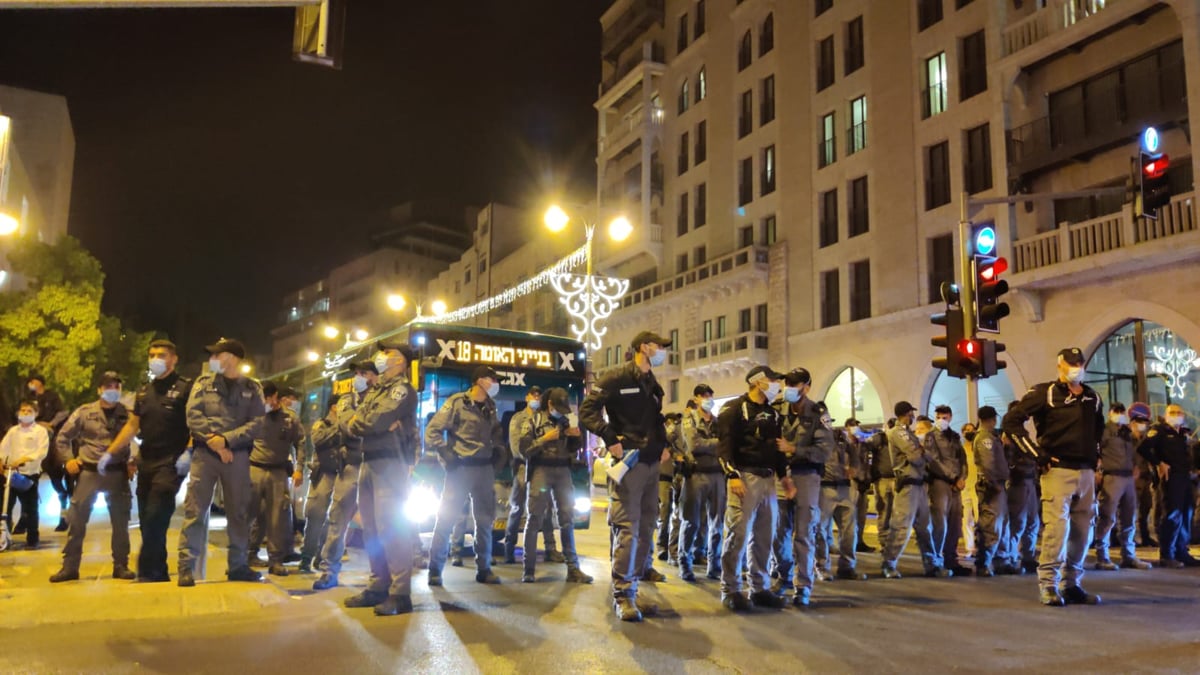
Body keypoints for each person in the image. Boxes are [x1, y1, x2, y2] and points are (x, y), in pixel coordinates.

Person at [579, 330, 671, 622]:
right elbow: (587, 411)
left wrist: (664, 445)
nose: (662, 351)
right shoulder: (616, 378)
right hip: (629, 463)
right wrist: (609, 436)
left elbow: (656, 420)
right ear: (643, 347)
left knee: (646, 529)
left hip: (652, 463)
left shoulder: (652, 383)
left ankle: (635, 588)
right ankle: (623, 595)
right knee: (628, 529)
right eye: (658, 346)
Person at [1003, 347, 1104, 607]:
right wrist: (1038, 454)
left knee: (1083, 532)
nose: (1076, 367)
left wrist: (1097, 460)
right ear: (1059, 366)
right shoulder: (1045, 393)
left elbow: (1098, 430)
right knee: (1057, 530)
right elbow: (1012, 422)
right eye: (1071, 364)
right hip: (1057, 472)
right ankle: (1048, 583)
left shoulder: (1092, 397)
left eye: (1080, 363)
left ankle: (1072, 585)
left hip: (1086, 473)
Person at [100, 339, 193, 582]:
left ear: (174, 359)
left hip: (171, 462)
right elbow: (133, 425)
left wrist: (189, 451)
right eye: (152, 354)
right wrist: (110, 451)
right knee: (145, 519)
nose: (156, 359)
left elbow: (196, 424)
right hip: (147, 461)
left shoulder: (186, 389)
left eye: (161, 354)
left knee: (156, 514)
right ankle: (157, 571)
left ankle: (146, 569)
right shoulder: (144, 391)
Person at [339, 341, 419, 615]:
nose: (381, 358)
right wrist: (365, 424)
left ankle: (400, 593)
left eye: (387, 354)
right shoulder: (378, 390)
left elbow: (373, 421)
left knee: (391, 528)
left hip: (390, 463)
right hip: (368, 461)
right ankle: (378, 585)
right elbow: (360, 420)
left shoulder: (402, 390)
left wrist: (365, 424)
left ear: (400, 361)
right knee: (371, 527)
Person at [178, 338, 266, 586]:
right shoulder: (203, 383)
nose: (212, 359)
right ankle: (186, 566)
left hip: (236, 456)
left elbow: (258, 423)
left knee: (238, 513)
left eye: (218, 354)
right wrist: (215, 443)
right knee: (195, 510)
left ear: (233, 359)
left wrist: (226, 441)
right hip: (206, 455)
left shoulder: (252, 387)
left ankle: (237, 566)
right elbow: (193, 415)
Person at [717, 365, 791, 612]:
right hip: (744, 478)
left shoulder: (774, 414)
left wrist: (784, 476)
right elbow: (725, 446)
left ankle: (759, 588)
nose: (776, 385)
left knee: (764, 536)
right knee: (737, 534)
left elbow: (777, 448)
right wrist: (732, 474)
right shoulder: (734, 409)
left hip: (768, 480)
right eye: (772, 380)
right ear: (758, 382)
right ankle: (731, 588)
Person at [49, 371, 135, 582]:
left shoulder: (128, 413)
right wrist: (68, 459)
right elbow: (63, 437)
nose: (112, 391)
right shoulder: (84, 412)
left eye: (116, 387)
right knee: (76, 520)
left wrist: (134, 461)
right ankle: (70, 567)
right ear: (99, 390)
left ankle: (121, 565)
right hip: (89, 471)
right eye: (108, 387)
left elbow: (139, 439)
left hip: (117, 472)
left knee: (120, 522)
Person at [425, 365, 506, 586]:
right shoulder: (457, 402)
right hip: (460, 468)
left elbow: (495, 433)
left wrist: (499, 451)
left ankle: (484, 568)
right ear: (479, 380)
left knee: (485, 521)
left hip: (483, 469)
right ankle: (435, 569)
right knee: (446, 519)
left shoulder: (491, 406)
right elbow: (432, 430)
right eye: (492, 379)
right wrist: (444, 451)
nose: (495, 383)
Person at [515, 387, 593, 584]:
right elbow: (524, 450)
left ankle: (573, 569)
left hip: (563, 471)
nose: (561, 411)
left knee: (567, 519)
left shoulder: (567, 420)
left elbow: (575, 449)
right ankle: (529, 570)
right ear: (549, 404)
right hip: (541, 470)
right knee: (534, 519)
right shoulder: (533, 421)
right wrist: (544, 439)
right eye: (558, 407)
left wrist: (576, 437)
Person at [313, 360, 377, 591]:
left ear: (375, 377)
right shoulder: (345, 400)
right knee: (338, 520)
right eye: (357, 373)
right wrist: (376, 425)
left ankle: (379, 577)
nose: (359, 377)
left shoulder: (382, 398)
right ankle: (329, 571)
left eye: (364, 373)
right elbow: (348, 427)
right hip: (351, 466)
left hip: (377, 466)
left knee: (379, 524)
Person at [775, 368, 831, 606]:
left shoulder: (817, 413)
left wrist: (794, 449)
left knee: (804, 532)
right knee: (778, 533)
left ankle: (803, 585)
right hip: (779, 476)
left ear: (806, 387)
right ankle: (784, 575)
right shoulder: (778, 410)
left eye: (795, 384)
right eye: (787, 383)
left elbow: (824, 450)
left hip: (806, 475)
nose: (789, 388)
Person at [881, 401, 948, 579]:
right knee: (901, 526)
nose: (912, 416)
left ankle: (931, 564)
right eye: (911, 413)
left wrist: (921, 452)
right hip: (908, 484)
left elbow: (926, 455)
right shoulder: (898, 432)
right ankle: (889, 563)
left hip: (918, 484)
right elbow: (917, 457)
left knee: (925, 528)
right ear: (906, 413)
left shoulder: (908, 433)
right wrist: (920, 451)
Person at [246, 382, 306, 577]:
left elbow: (301, 444)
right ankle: (244, 556)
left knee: (277, 518)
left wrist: (299, 469)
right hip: (254, 469)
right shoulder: (254, 414)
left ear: (277, 398)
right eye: (264, 398)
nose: (267, 402)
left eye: (270, 398)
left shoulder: (290, 418)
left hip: (279, 473)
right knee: (249, 515)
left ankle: (276, 561)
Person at [1137, 403, 1199, 569]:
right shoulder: (1160, 431)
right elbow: (1143, 448)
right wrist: (1159, 463)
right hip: (1170, 478)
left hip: (1186, 477)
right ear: (1166, 414)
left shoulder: (1183, 433)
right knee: (1172, 515)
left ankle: (1181, 551)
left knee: (1186, 514)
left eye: (1179, 412)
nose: (1176, 415)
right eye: (1172, 412)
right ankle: (1167, 554)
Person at [1094, 402, 1153, 571]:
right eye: (1116, 411)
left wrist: (1135, 466)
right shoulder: (1104, 431)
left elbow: (1134, 452)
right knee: (1107, 517)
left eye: (1121, 411)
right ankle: (1102, 556)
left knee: (1129, 517)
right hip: (1112, 476)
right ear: (1110, 412)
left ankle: (1128, 555)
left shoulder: (1127, 432)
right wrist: (1097, 470)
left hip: (1128, 478)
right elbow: (1095, 451)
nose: (1119, 414)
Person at [504, 386, 560, 565]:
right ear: (527, 397)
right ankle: (509, 548)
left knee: (546, 508)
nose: (536, 398)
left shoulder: (546, 418)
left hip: (542, 468)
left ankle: (550, 548)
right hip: (524, 467)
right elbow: (516, 446)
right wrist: (536, 449)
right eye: (533, 395)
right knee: (517, 508)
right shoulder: (518, 419)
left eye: (539, 395)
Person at [815, 403, 867, 583]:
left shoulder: (839, 436)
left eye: (828, 418)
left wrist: (854, 467)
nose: (826, 422)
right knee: (821, 530)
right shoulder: (812, 437)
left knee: (849, 530)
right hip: (823, 488)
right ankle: (822, 566)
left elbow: (855, 454)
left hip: (844, 487)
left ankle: (847, 566)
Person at [678, 384, 724, 582]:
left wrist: (713, 445)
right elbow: (694, 445)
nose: (708, 399)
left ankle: (715, 565)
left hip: (717, 475)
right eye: (704, 396)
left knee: (718, 523)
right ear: (696, 398)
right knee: (691, 522)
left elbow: (726, 444)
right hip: (696, 475)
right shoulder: (689, 420)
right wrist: (716, 444)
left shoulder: (718, 422)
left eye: (710, 395)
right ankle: (685, 563)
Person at [925, 405, 970, 576]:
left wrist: (962, 478)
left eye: (944, 417)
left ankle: (951, 560)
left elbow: (962, 459)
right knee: (940, 524)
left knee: (954, 523)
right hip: (941, 483)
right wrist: (952, 477)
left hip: (955, 485)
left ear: (950, 417)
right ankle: (935, 562)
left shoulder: (954, 436)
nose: (941, 420)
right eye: (938, 417)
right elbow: (933, 460)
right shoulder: (931, 436)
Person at [300, 395, 342, 573]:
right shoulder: (322, 424)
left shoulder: (349, 425)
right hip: (324, 475)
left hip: (341, 475)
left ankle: (322, 557)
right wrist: (339, 427)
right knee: (315, 518)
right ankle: (306, 558)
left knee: (335, 521)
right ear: (334, 407)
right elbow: (318, 440)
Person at [0, 400, 50, 549]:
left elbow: (42, 452)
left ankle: (33, 539)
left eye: (29, 411)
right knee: (5, 506)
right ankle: (5, 537)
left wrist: (26, 459)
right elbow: (3, 448)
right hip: (11, 474)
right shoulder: (13, 431)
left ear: (35, 413)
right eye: (23, 411)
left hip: (29, 474)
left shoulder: (40, 431)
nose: (26, 413)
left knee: (30, 508)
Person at [28, 374, 70, 532]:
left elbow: (63, 412)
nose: (30, 384)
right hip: (32, 428)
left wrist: (50, 424)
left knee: (58, 480)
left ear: (40, 383)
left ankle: (58, 462)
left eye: (33, 381)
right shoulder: (28, 398)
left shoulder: (52, 396)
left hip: (50, 429)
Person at [1004, 399, 1041, 575]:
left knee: (1033, 522)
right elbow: (1008, 462)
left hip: (1030, 482)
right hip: (1018, 482)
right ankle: (1011, 558)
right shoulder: (1009, 437)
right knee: (1018, 522)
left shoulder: (1022, 434)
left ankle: (1028, 557)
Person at [973, 406, 1010, 576]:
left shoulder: (991, 437)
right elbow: (988, 464)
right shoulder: (984, 438)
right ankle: (984, 562)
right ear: (992, 419)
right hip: (991, 486)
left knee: (1000, 524)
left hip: (998, 485)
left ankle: (1000, 560)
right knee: (991, 525)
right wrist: (994, 482)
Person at [845, 419, 874, 553]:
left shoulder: (863, 445)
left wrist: (867, 479)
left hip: (863, 482)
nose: (855, 428)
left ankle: (860, 541)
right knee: (850, 515)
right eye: (852, 426)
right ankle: (849, 543)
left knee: (862, 515)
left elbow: (867, 463)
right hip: (851, 482)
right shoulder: (844, 443)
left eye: (856, 426)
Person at [869, 418, 897, 550]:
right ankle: (884, 542)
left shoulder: (898, 439)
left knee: (897, 513)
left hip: (896, 479)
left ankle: (892, 541)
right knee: (884, 511)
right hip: (882, 480)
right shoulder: (879, 439)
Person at [958, 422, 978, 559]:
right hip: (965, 486)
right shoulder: (960, 450)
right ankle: (970, 548)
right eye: (966, 430)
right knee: (967, 519)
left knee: (979, 517)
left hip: (977, 486)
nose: (969, 432)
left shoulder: (978, 448)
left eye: (972, 430)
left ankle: (982, 546)